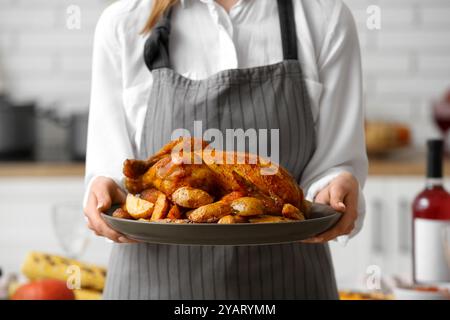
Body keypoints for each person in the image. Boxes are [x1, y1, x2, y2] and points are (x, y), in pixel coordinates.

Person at [84, 0, 368, 299]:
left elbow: (334, 165)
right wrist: (104, 192)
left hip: (288, 281)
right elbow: (113, 173)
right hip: (153, 284)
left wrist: (336, 185)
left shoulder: (324, 17)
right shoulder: (123, 22)